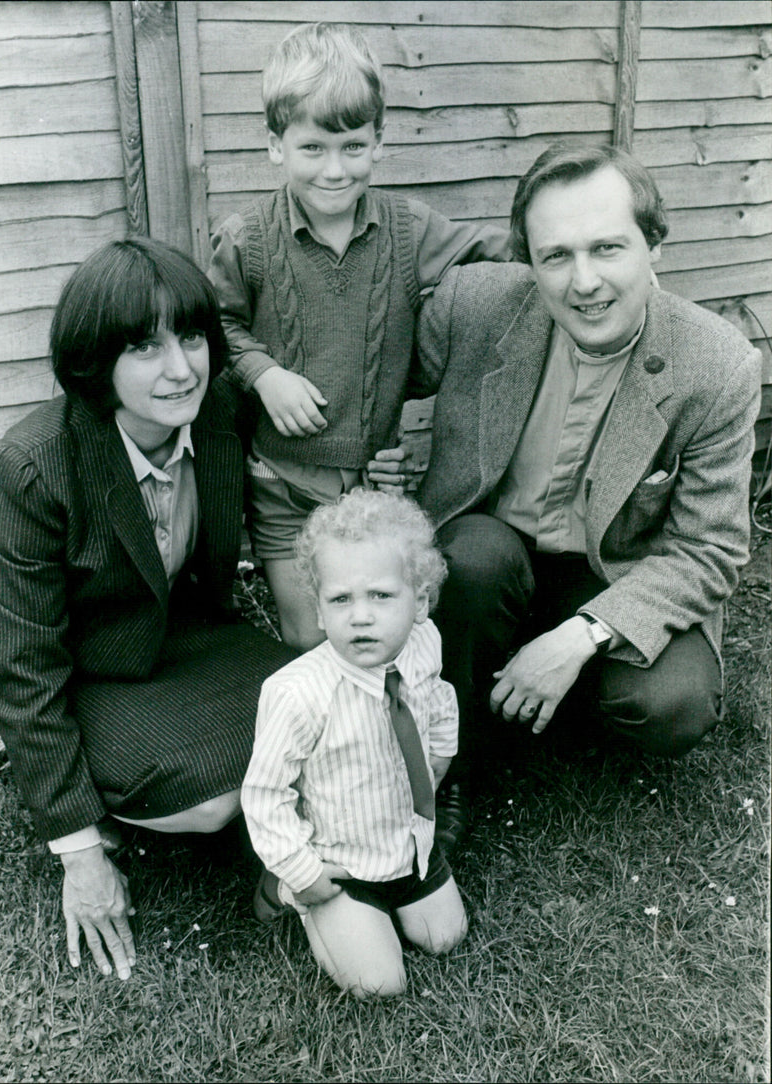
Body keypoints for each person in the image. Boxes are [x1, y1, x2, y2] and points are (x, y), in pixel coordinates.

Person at [391, 143, 760, 844]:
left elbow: (709, 549)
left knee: (672, 704)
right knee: (473, 556)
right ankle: (456, 765)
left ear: (654, 244)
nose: (583, 281)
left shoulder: (717, 366)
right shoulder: (476, 304)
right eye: (555, 255)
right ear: (528, 259)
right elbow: (374, 381)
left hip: (612, 572)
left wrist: (581, 638)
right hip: (494, 555)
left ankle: (540, 689)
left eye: (608, 248)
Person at [0, 238, 295, 982]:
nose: (180, 368)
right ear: (95, 359)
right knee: (212, 799)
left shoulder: (220, 414)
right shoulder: (32, 464)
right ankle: (111, 807)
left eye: (189, 338)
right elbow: (21, 665)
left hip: (189, 637)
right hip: (86, 663)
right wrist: (78, 850)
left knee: (327, 707)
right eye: (145, 346)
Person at [207, 21, 509, 651]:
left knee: (379, 635)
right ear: (276, 146)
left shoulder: (409, 228)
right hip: (282, 484)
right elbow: (212, 328)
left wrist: (584, 248)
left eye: (352, 146)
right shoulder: (247, 239)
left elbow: (496, 251)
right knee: (311, 641)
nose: (334, 170)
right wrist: (265, 373)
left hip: (375, 485)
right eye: (313, 148)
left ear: (378, 143)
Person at [241, 489, 467, 997]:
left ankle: (404, 893)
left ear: (421, 603)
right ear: (319, 612)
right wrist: (304, 872)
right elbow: (264, 795)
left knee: (446, 937)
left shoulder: (423, 643)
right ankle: (283, 890)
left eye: (381, 596)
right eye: (340, 599)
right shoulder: (298, 694)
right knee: (378, 985)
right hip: (340, 863)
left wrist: (442, 750)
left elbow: (437, 694)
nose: (360, 616)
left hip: (409, 846)